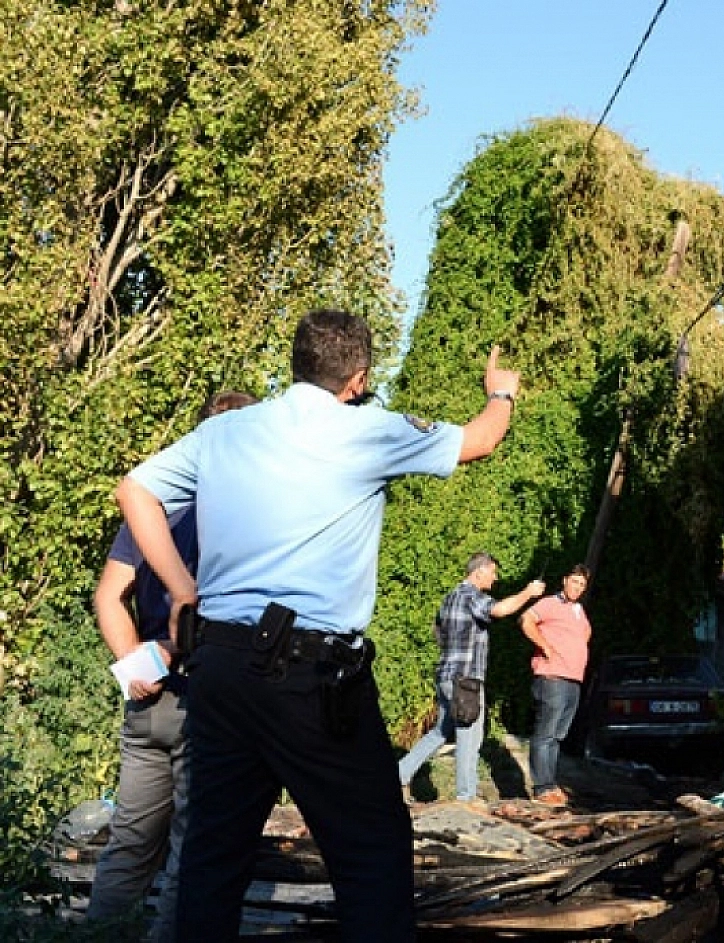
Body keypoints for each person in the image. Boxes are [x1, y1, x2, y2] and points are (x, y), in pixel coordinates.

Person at [115, 308, 521, 942]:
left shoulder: (227, 432)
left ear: (297, 362)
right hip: (311, 677)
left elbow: (134, 491)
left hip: (219, 669)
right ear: (357, 378)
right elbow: (480, 440)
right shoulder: (368, 431)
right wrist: (500, 393)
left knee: (211, 861)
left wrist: (183, 589)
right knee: (372, 854)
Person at [86, 391, 256, 941]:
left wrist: (135, 662)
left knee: (131, 841)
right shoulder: (239, 514)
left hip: (147, 699)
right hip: (207, 696)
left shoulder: (154, 505)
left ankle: (96, 936)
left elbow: (109, 595)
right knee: (195, 847)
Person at [397, 552, 544, 803]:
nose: (495, 579)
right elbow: (499, 610)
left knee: (442, 731)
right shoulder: (472, 596)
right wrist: (528, 593)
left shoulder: (450, 597)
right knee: (470, 735)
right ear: (479, 572)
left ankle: (399, 775)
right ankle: (467, 796)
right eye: (493, 572)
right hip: (466, 680)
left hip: (447, 675)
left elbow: (438, 632)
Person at [520, 564, 592, 806]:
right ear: (564, 581)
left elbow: (585, 635)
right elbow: (526, 620)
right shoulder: (551, 603)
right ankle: (542, 787)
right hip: (552, 677)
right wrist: (546, 647)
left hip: (572, 680)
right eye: (574, 582)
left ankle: (551, 783)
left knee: (558, 736)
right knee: (546, 733)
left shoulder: (579, 611)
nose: (577, 588)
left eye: (582, 585)